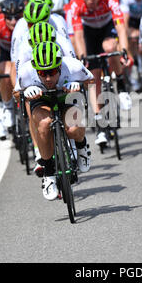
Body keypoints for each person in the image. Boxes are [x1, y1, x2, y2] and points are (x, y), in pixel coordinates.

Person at [18, 41, 93, 200]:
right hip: (42, 99)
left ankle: (81, 146)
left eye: (52, 72)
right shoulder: (26, 72)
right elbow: (15, 94)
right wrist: (26, 91)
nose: (47, 78)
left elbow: (91, 81)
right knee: (44, 124)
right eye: (42, 73)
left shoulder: (73, 67)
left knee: (73, 128)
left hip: (66, 95)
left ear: (59, 66)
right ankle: (49, 173)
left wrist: (78, 85)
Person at [67, 0, 133, 146]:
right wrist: (82, 58)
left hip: (107, 28)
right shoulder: (75, 3)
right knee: (93, 77)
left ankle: (122, 84)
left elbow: (120, 27)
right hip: (89, 34)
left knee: (110, 48)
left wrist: (124, 50)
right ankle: (99, 123)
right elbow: (78, 36)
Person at [0, 0, 24, 134]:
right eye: (9, 18)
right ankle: (8, 106)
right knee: (6, 71)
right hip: (5, 52)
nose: (13, 21)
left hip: (22, 51)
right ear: (3, 16)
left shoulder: (27, 23)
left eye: (17, 17)